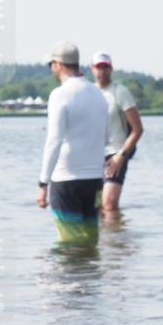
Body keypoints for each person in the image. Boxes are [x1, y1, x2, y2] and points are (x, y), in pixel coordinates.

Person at [36, 42, 108, 242]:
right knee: (90, 240)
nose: (51, 68)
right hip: (95, 180)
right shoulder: (98, 94)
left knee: (70, 243)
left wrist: (43, 183)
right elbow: (106, 136)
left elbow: (54, 140)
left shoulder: (60, 94)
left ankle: (73, 274)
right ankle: (90, 273)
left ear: (58, 64)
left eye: (51, 64)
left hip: (66, 179)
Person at [91, 52, 144, 213]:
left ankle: (116, 237)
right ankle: (101, 237)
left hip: (115, 153)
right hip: (92, 155)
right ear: (92, 69)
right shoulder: (88, 92)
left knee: (109, 204)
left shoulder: (119, 91)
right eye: (98, 67)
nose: (102, 71)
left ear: (111, 69)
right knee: (96, 206)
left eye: (105, 67)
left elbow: (137, 129)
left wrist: (121, 156)